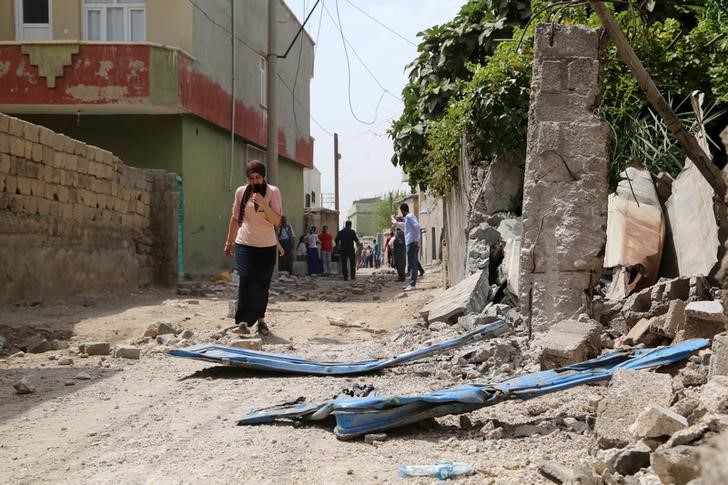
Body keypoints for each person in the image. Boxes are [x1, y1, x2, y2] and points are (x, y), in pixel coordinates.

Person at [224, 160, 281, 336]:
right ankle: (242, 322)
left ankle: (261, 320)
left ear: (263, 177)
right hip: (245, 243)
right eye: (251, 178)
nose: (255, 181)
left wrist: (264, 205)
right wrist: (229, 242)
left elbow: (276, 220)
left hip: (267, 245)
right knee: (246, 279)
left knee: (262, 283)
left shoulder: (273, 192)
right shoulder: (241, 192)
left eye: (258, 177)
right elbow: (235, 218)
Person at [400, 202, 421, 291]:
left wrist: (416, 239)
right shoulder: (408, 217)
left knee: (412, 264)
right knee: (412, 263)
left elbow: (417, 226)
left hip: (412, 242)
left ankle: (412, 284)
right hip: (411, 242)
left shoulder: (409, 216)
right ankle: (411, 283)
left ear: (402, 210)